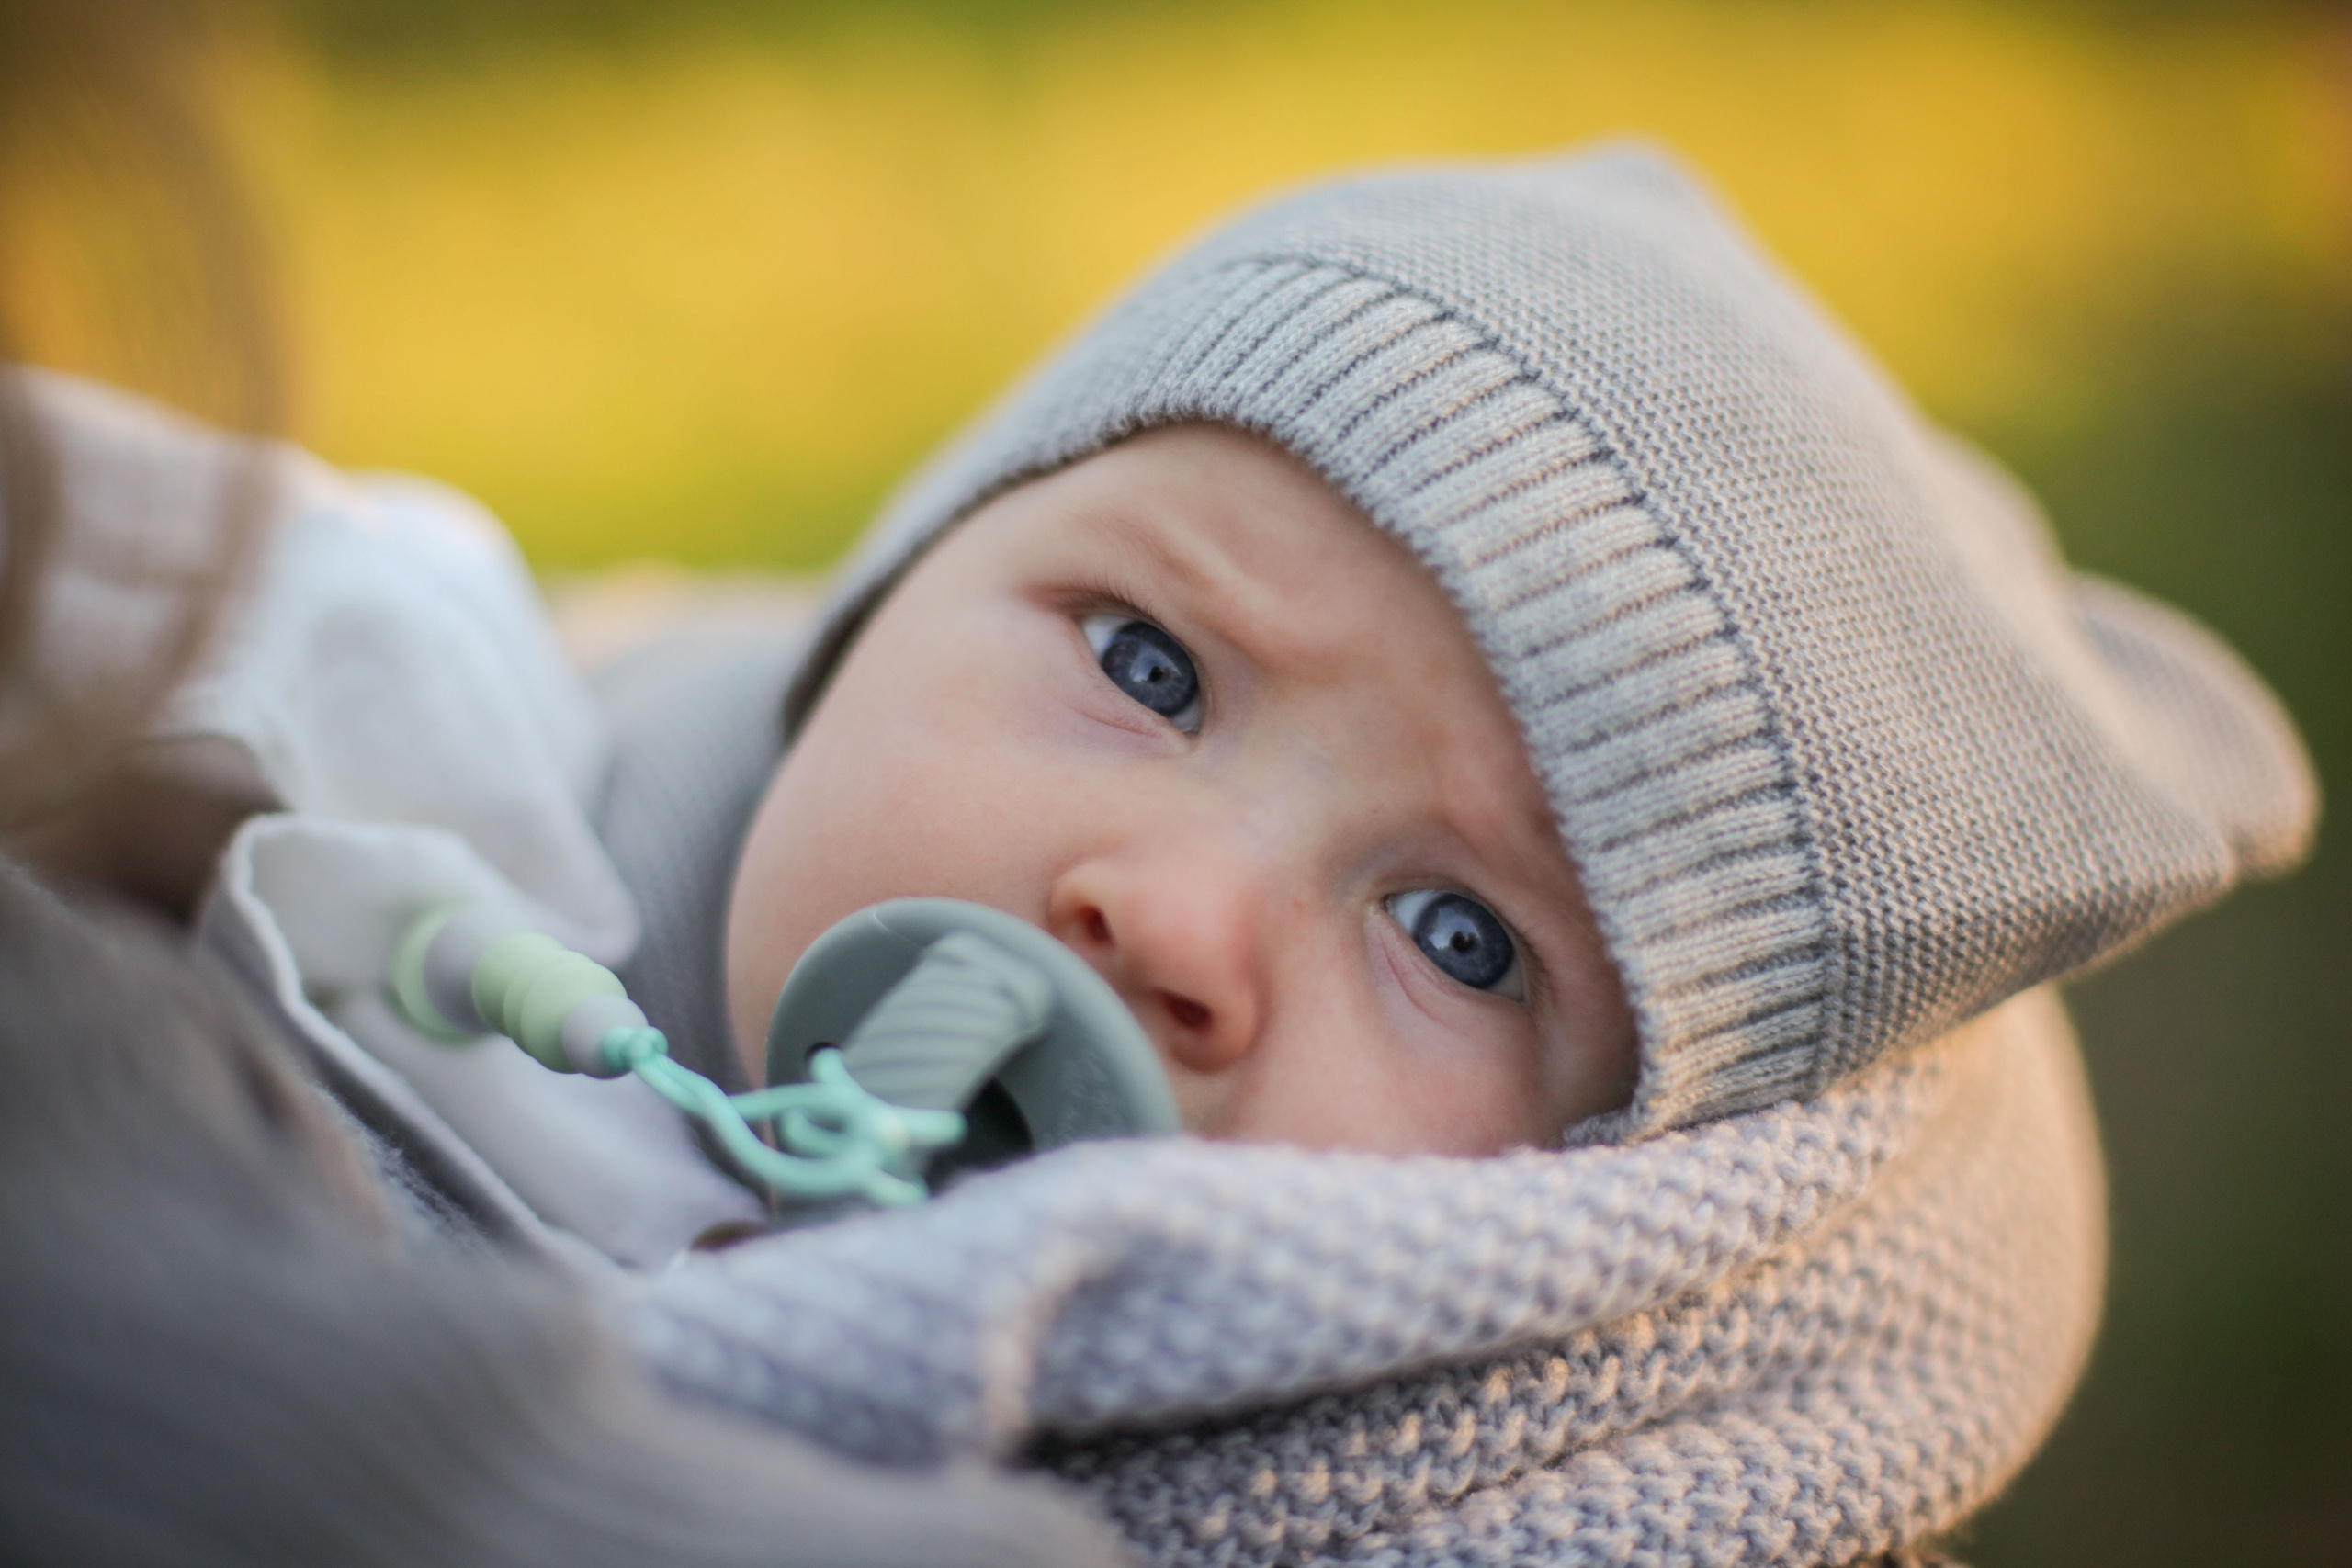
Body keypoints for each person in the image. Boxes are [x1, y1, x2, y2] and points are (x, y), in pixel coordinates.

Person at [40, 145, 2316, 1566]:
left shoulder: (1495, 1485)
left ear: (1585, 1203)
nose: (1172, 917)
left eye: (1457, 936)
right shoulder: (353, 723)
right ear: (888, 592)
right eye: (1146, 664)